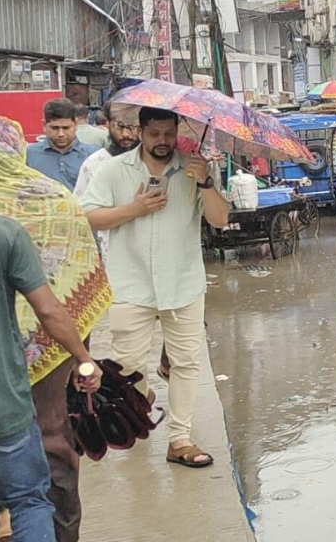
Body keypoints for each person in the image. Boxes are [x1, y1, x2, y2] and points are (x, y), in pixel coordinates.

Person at [0, 123, 103, 542]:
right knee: (36, 490)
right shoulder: (48, 204)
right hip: (16, 384)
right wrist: (83, 357)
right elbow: (58, 304)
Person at [82, 107, 229, 469]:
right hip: (131, 285)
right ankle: (142, 396)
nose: (161, 142)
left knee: (185, 363)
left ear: (176, 131)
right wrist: (134, 209)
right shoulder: (114, 170)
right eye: (154, 134)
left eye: (168, 134)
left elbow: (221, 219)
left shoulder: (194, 169)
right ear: (140, 131)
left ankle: (179, 439)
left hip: (184, 284)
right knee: (127, 368)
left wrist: (207, 183)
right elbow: (88, 215)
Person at [27, 99, 97, 191]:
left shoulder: (93, 155)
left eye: (66, 128)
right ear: (44, 125)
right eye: (54, 128)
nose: (61, 134)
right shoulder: (28, 155)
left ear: (76, 124)